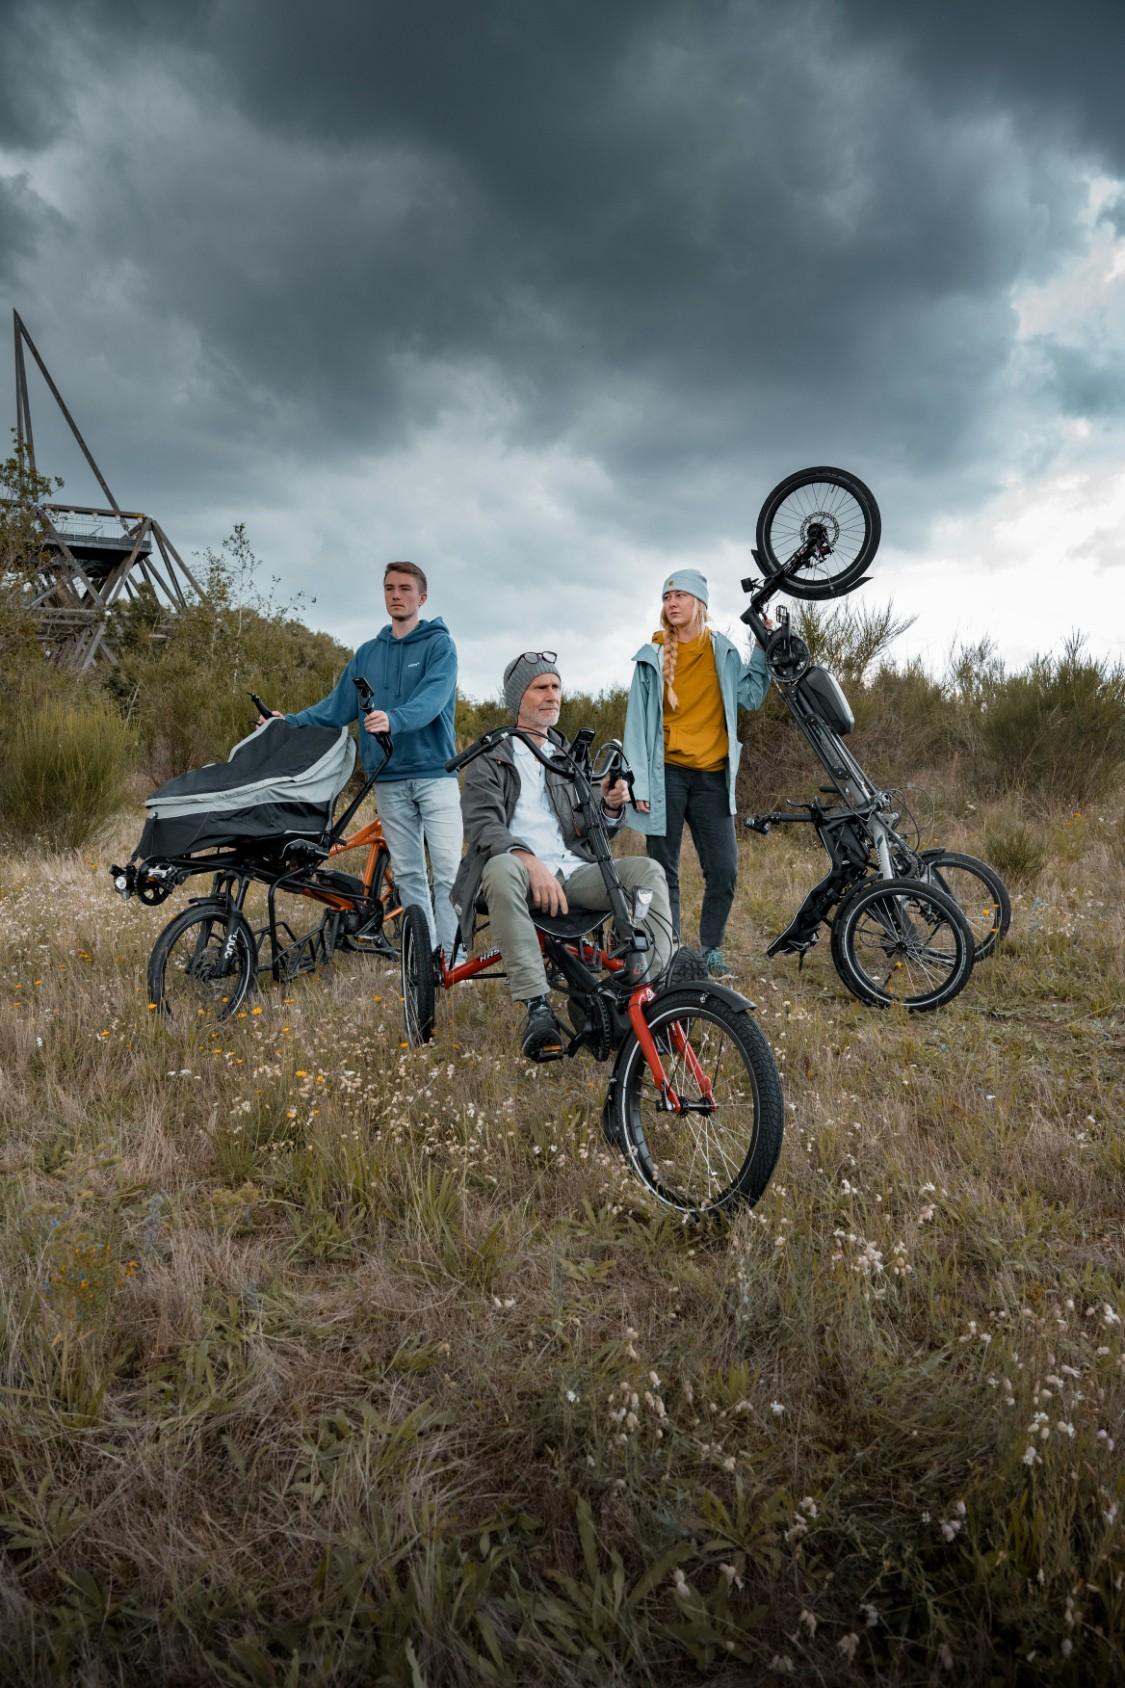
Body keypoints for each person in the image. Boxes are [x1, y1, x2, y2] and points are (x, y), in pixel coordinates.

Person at [451, 652, 675, 1060]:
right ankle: (538, 1009)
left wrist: (608, 804)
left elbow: (592, 831)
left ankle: (654, 995)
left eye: (556, 687)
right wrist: (529, 860)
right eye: (541, 687)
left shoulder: (568, 758)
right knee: (503, 866)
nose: (552, 695)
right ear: (519, 698)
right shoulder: (491, 757)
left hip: (572, 873)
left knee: (648, 870)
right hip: (515, 873)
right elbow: (482, 826)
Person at [279, 561, 462, 960]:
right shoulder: (367, 654)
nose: (396, 595)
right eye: (389, 588)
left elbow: (431, 701)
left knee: (448, 872)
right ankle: (424, 957)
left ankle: (454, 958)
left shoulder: (439, 646)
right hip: (388, 777)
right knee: (411, 873)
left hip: (436, 775)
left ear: (422, 597)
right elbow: (336, 708)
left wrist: (393, 719)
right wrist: (288, 722)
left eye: (405, 589)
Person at [622, 570, 770, 977]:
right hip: (665, 773)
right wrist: (638, 782)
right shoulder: (651, 658)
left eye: (680, 595)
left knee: (724, 869)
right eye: (667, 595)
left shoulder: (723, 652)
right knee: (661, 870)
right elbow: (635, 722)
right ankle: (668, 951)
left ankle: (710, 949)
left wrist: (762, 647)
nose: (672, 602)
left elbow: (751, 697)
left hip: (712, 777)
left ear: (700, 603)